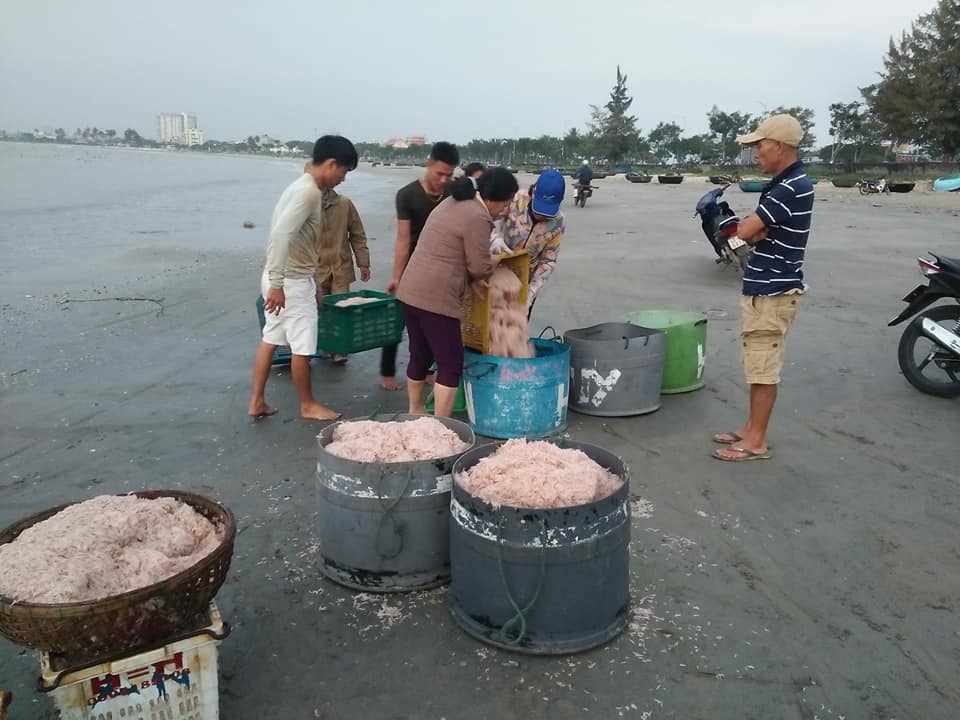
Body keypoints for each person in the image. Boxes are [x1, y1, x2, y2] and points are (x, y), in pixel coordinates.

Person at [712, 114, 813, 462]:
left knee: (764, 366)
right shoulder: (785, 184)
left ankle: (756, 441)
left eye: (760, 146)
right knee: (756, 362)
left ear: (779, 147)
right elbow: (751, 231)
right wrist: (753, 230)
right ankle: (750, 427)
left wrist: (751, 230)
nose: (756, 153)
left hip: (773, 291)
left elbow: (743, 231)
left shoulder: (789, 187)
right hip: (767, 287)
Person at [248, 135, 358, 421]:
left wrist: (292, 283)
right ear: (331, 164)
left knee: (271, 337)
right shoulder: (308, 193)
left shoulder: (299, 186)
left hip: (288, 278)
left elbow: (288, 236)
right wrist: (277, 283)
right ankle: (308, 404)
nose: (343, 179)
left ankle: (257, 401)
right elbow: (281, 234)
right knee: (303, 346)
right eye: (344, 171)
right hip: (289, 281)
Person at [396, 167, 519, 417]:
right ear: (494, 197)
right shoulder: (478, 216)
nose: (505, 211)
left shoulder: (453, 200)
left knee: (420, 353)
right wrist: (494, 262)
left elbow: (450, 250)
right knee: (451, 363)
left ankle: (415, 410)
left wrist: (472, 278)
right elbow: (479, 266)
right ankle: (440, 425)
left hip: (410, 291)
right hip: (436, 299)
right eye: (505, 204)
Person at [380, 141, 460, 390]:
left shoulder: (452, 194)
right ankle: (387, 372)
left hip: (442, 271)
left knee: (434, 325)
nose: (444, 180)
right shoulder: (407, 195)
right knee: (397, 322)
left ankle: (426, 370)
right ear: (428, 165)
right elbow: (403, 239)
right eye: (440, 174)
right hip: (412, 267)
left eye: (450, 175)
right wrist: (397, 276)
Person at [491, 168, 566, 318]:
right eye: (539, 210)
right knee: (491, 322)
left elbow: (548, 260)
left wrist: (531, 293)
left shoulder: (558, 223)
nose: (541, 216)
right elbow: (489, 216)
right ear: (532, 193)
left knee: (517, 325)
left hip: (526, 280)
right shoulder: (516, 199)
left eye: (547, 213)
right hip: (497, 270)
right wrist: (494, 238)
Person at [315, 188, 371, 364]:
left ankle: (339, 349)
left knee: (341, 307)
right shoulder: (307, 203)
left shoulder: (345, 204)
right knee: (320, 307)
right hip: (316, 266)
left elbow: (357, 235)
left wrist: (363, 263)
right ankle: (325, 345)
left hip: (341, 265)